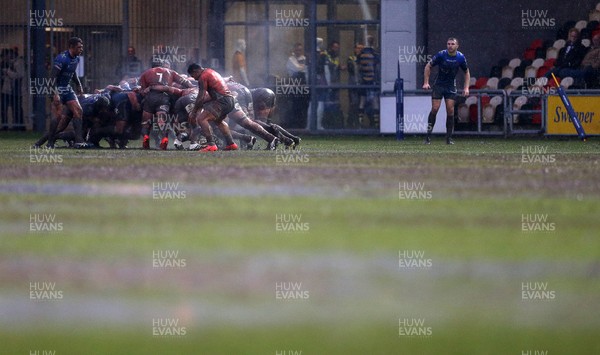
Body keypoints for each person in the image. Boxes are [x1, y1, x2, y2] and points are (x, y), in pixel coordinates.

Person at [34, 37, 88, 148]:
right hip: (57, 89)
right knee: (58, 118)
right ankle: (49, 143)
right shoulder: (61, 59)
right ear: (71, 47)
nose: (81, 49)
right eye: (79, 47)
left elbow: (73, 73)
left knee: (78, 111)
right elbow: (52, 78)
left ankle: (78, 141)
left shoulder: (76, 58)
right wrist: (55, 93)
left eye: (81, 47)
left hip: (67, 89)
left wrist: (79, 85)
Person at [423, 37, 470, 145]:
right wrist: (426, 82)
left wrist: (466, 87)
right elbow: (428, 66)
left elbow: (467, 72)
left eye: (452, 44)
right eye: (448, 44)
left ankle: (448, 138)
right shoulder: (441, 54)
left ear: (457, 46)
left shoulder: (460, 57)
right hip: (439, 85)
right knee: (435, 109)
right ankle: (428, 137)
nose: (450, 46)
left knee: (450, 111)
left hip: (450, 87)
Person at [138, 58, 194, 150]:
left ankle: (146, 139)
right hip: (164, 98)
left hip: (150, 98)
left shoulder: (146, 73)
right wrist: (193, 87)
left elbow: (143, 91)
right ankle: (164, 139)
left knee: (145, 122)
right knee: (162, 121)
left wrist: (148, 90)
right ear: (161, 64)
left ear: (152, 65)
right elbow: (184, 81)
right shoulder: (170, 72)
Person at [187, 63, 238, 152]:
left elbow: (201, 95)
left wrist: (194, 111)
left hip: (222, 101)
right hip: (230, 101)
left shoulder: (203, 76)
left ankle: (211, 145)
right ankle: (231, 144)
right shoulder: (210, 71)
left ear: (196, 71)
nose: (194, 78)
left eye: (193, 75)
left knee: (201, 119)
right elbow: (212, 94)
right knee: (218, 121)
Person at [357, 35, 380, 128]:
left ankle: (360, 123)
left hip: (363, 81)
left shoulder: (360, 54)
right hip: (372, 81)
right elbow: (377, 68)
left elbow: (358, 68)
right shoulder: (374, 54)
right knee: (375, 102)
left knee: (362, 101)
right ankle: (376, 124)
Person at [0, 48, 25, 130]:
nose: (5, 57)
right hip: (6, 90)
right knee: (4, 109)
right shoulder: (5, 63)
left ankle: (19, 126)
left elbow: (19, 75)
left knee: (17, 109)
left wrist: (7, 72)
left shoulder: (18, 62)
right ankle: (5, 125)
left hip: (15, 90)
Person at [286, 42, 309, 128]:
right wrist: (303, 67)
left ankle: (302, 125)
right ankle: (295, 126)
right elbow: (297, 69)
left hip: (304, 85)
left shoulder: (304, 58)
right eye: (297, 50)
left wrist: (302, 67)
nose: (298, 51)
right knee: (295, 106)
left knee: (303, 106)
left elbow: (307, 70)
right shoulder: (291, 59)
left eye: (300, 50)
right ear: (294, 50)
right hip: (294, 85)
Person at [346, 43, 363, 128]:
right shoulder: (351, 58)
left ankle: (359, 123)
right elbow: (351, 69)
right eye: (358, 48)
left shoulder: (365, 58)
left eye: (361, 48)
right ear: (355, 49)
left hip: (362, 84)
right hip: (353, 84)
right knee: (354, 103)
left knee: (361, 104)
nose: (360, 50)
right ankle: (351, 122)